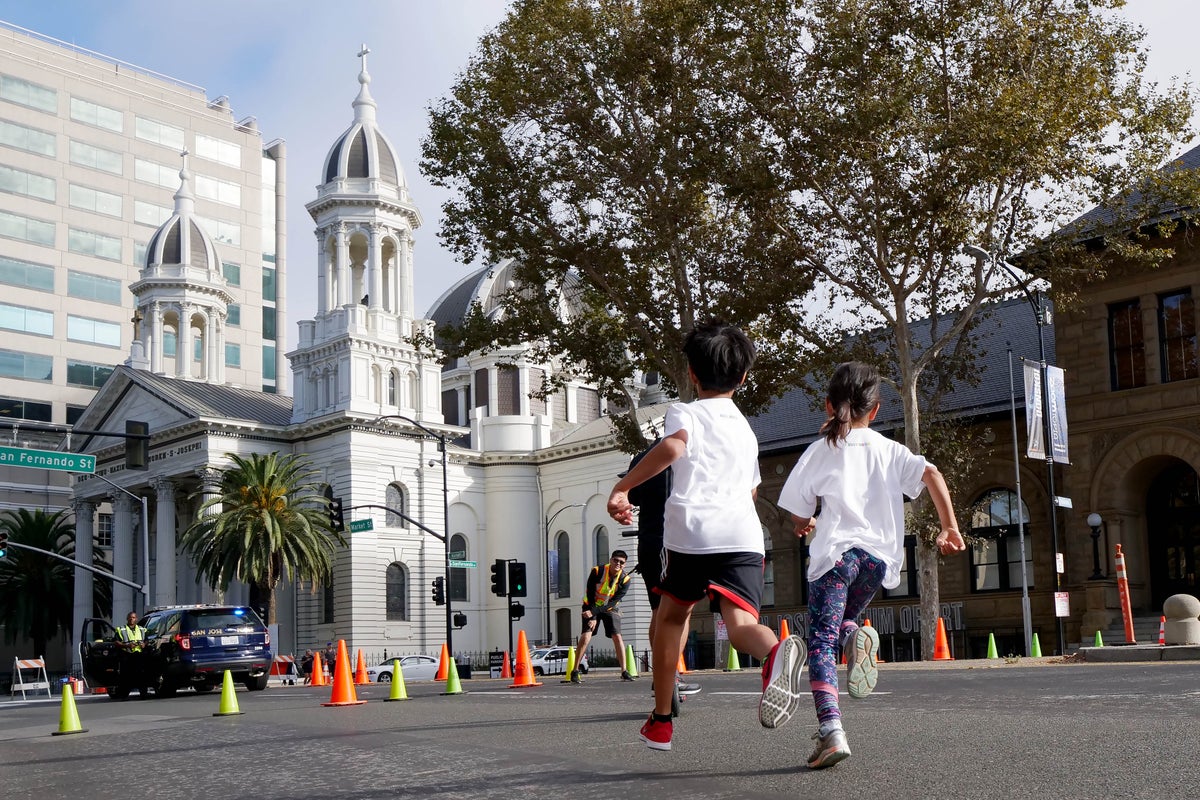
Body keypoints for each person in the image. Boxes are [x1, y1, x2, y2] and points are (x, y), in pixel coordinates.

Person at [608, 319, 806, 751]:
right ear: (744, 377)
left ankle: (662, 721)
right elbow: (752, 492)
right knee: (742, 625)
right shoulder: (746, 430)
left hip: (692, 536)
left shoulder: (686, 412)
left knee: (670, 618)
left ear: (692, 374)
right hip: (742, 535)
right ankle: (776, 652)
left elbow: (673, 447)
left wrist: (623, 487)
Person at [777, 361, 966, 769]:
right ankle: (854, 638)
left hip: (835, 559)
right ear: (876, 410)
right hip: (876, 562)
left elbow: (797, 513)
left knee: (820, 640)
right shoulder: (889, 450)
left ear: (828, 406)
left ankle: (831, 730)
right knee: (845, 620)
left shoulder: (820, 450)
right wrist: (949, 526)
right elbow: (931, 473)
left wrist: (806, 522)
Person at [625, 441, 701, 703]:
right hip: (676, 540)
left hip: (648, 542)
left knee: (658, 609)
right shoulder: (688, 454)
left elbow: (633, 496)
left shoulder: (642, 458)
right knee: (680, 609)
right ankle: (670, 674)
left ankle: (662, 675)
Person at [567, 551, 634, 682]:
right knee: (586, 635)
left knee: (617, 636)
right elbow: (590, 593)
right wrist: (592, 616)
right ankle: (575, 671)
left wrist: (595, 613)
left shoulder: (625, 580)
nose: (618, 564)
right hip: (591, 605)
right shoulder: (597, 571)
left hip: (609, 608)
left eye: (621, 562)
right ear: (610, 560)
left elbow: (614, 602)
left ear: (625, 565)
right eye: (615, 560)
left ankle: (624, 671)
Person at [114, 610, 148, 696]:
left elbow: (146, 640)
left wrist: (144, 644)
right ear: (127, 618)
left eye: (133, 617)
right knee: (126, 675)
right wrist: (127, 645)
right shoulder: (121, 629)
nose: (131, 619)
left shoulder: (142, 629)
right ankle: (124, 695)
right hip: (126, 655)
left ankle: (143, 694)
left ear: (136, 619)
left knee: (141, 674)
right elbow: (116, 642)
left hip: (139, 655)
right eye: (130, 617)